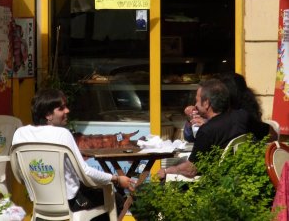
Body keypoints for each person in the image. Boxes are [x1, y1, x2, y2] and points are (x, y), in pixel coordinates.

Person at [12, 88, 135, 220]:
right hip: (71, 203)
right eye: (61, 108)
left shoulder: (20, 134)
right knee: (116, 200)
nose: (67, 111)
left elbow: (19, 173)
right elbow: (85, 172)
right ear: (48, 115)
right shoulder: (62, 134)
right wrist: (116, 179)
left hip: (39, 202)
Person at [157, 78, 249, 179]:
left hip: (214, 180)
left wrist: (166, 170)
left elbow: (191, 170)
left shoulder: (207, 130)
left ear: (206, 104)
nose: (195, 105)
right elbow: (268, 131)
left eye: (197, 100)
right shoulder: (242, 116)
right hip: (240, 175)